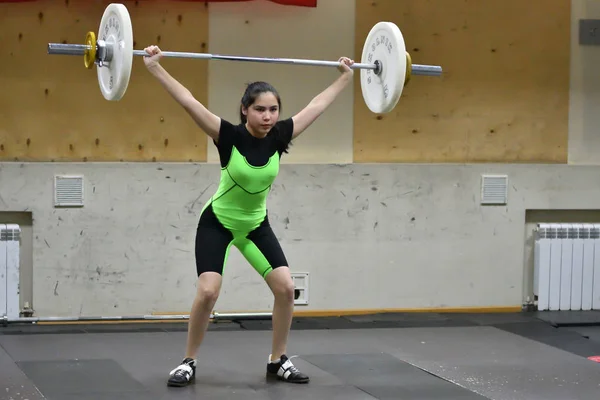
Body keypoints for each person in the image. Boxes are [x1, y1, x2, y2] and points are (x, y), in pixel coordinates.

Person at [142, 44, 354, 387]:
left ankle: (277, 360)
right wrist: (154, 68)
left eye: (273, 110)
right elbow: (188, 101)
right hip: (218, 223)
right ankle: (188, 361)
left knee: (286, 289)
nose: (267, 116)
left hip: (256, 225)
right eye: (259, 110)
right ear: (245, 110)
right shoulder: (228, 135)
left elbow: (317, 105)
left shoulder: (281, 135)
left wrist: (346, 77)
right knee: (209, 292)